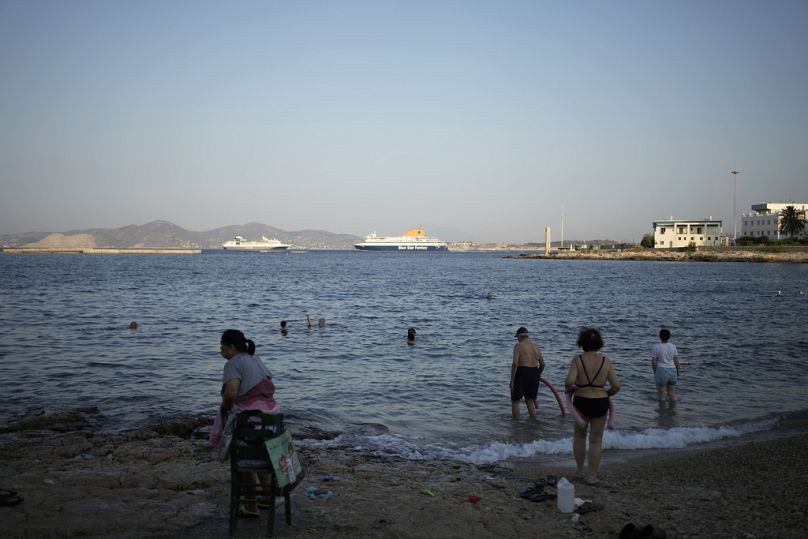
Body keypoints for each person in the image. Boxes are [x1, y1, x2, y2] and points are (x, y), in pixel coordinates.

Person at [211, 329, 280, 517]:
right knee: (260, 454)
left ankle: (251, 505)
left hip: (252, 418)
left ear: (231, 348)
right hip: (272, 416)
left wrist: (225, 407)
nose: (220, 350)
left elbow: (231, 393)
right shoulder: (254, 359)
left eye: (222, 347)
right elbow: (268, 380)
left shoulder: (233, 363)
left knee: (244, 457)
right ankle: (266, 498)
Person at [564, 327, 620, 486]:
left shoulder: (578, 360)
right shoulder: (605, 361)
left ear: (581, 343)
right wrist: (606, 394)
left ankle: (580, 471)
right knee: (596, 441)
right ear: (599, 343)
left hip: (581, 401)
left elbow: (569, 381)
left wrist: (571, 389)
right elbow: (616, 385)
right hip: (600, 402)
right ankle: (592, 476)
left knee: (579, 437)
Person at [510, 327, 545, 419]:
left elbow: (515, 364)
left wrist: (512, 380)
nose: (517, 339)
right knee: (529, 400)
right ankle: (532, 423)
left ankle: (515, 425)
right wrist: (538, 375)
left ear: (519, 336)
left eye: (517, 337)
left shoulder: (518, 346)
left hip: (522, 372)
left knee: (515, 400)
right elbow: (542, 364)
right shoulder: (536, 346)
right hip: (534, 372)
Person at [651, 328, 680, 405]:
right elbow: (676, 361)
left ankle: (662, 413)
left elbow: (654, 362)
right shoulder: (673, 346)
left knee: (662, 395)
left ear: (660, 336)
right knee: (672, 393)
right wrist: (677, 371)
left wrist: (655, 371)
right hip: (672, 370)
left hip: (661, 370)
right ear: (669, 337)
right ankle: (674, 411)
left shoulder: (656, 347)